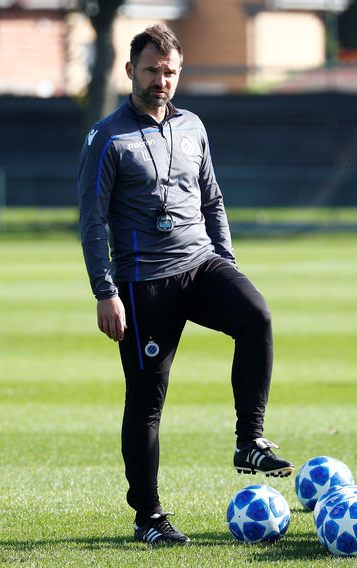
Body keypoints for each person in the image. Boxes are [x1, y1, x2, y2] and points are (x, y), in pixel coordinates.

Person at [76, 24, 293, 546]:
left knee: (256, 316)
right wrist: (105, 292)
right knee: (147, 400)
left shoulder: (194, 125)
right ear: (130, 71)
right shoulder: (107, 138)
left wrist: (228, 261)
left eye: (169, 71)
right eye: (151, 70)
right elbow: (92, 221)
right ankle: (148, 517)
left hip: (200, 264)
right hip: (142, 283)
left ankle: (249, 440)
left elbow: (212, 198)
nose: (161, 80)